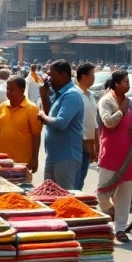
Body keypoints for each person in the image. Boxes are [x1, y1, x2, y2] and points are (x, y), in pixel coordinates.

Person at [96, 70, 132, 242]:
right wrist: (121, 111)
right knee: (102, 193)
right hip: (110, 153)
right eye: (125, 82)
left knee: (124, 194)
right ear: (116, 84)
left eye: (128, 81)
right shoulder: (105, 101)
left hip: (128, 153)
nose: (128, 85)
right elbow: (109, 122)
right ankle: (110, 212)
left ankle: (121, 228)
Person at [38, 60, 86, 190]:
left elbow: (60, 123)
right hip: (53, 156)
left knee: (65, 200)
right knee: (48, 196)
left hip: (66, 158)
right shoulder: (59, 94)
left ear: (63, 75)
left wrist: (42, 116)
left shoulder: (72, 95)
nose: (48, 79)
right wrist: (43, 95)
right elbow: (48, 113)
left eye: (51, 75)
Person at [0, 75, 41, 173]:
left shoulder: (32, 109)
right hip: (2, 162)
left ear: (22, 90)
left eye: (12, 89)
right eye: (7, 89)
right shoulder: (2, 106)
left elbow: (36, 135)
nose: (8, 92)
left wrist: (34, 159)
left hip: (21, 164)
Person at [74, 63, 99, 190]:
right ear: (84, 76)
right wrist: (86, 143)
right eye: (93, 75)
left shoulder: (90, 95)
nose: (94, 78)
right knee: (75, 179)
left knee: (81, 178)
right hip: (78, 143)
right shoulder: (74, 95)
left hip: (89, 144)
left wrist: (95, 144)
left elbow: (93, 121)